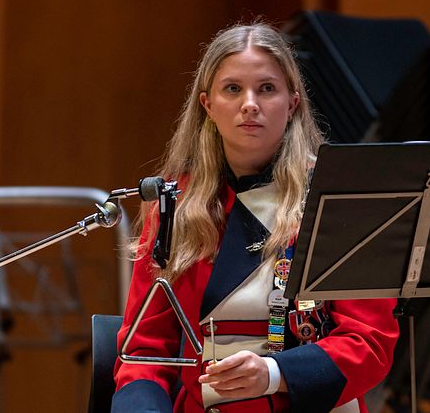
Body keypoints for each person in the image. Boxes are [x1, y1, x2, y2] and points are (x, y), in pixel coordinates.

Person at [111, 23, 400, 413]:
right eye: (233, 89)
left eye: (267, 88)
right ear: (207, 105)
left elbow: (370, 342)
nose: (250, 104)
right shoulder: (173, 203)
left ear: (293, 102)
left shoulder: (341, 198)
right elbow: (145, 354)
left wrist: (274, 373)